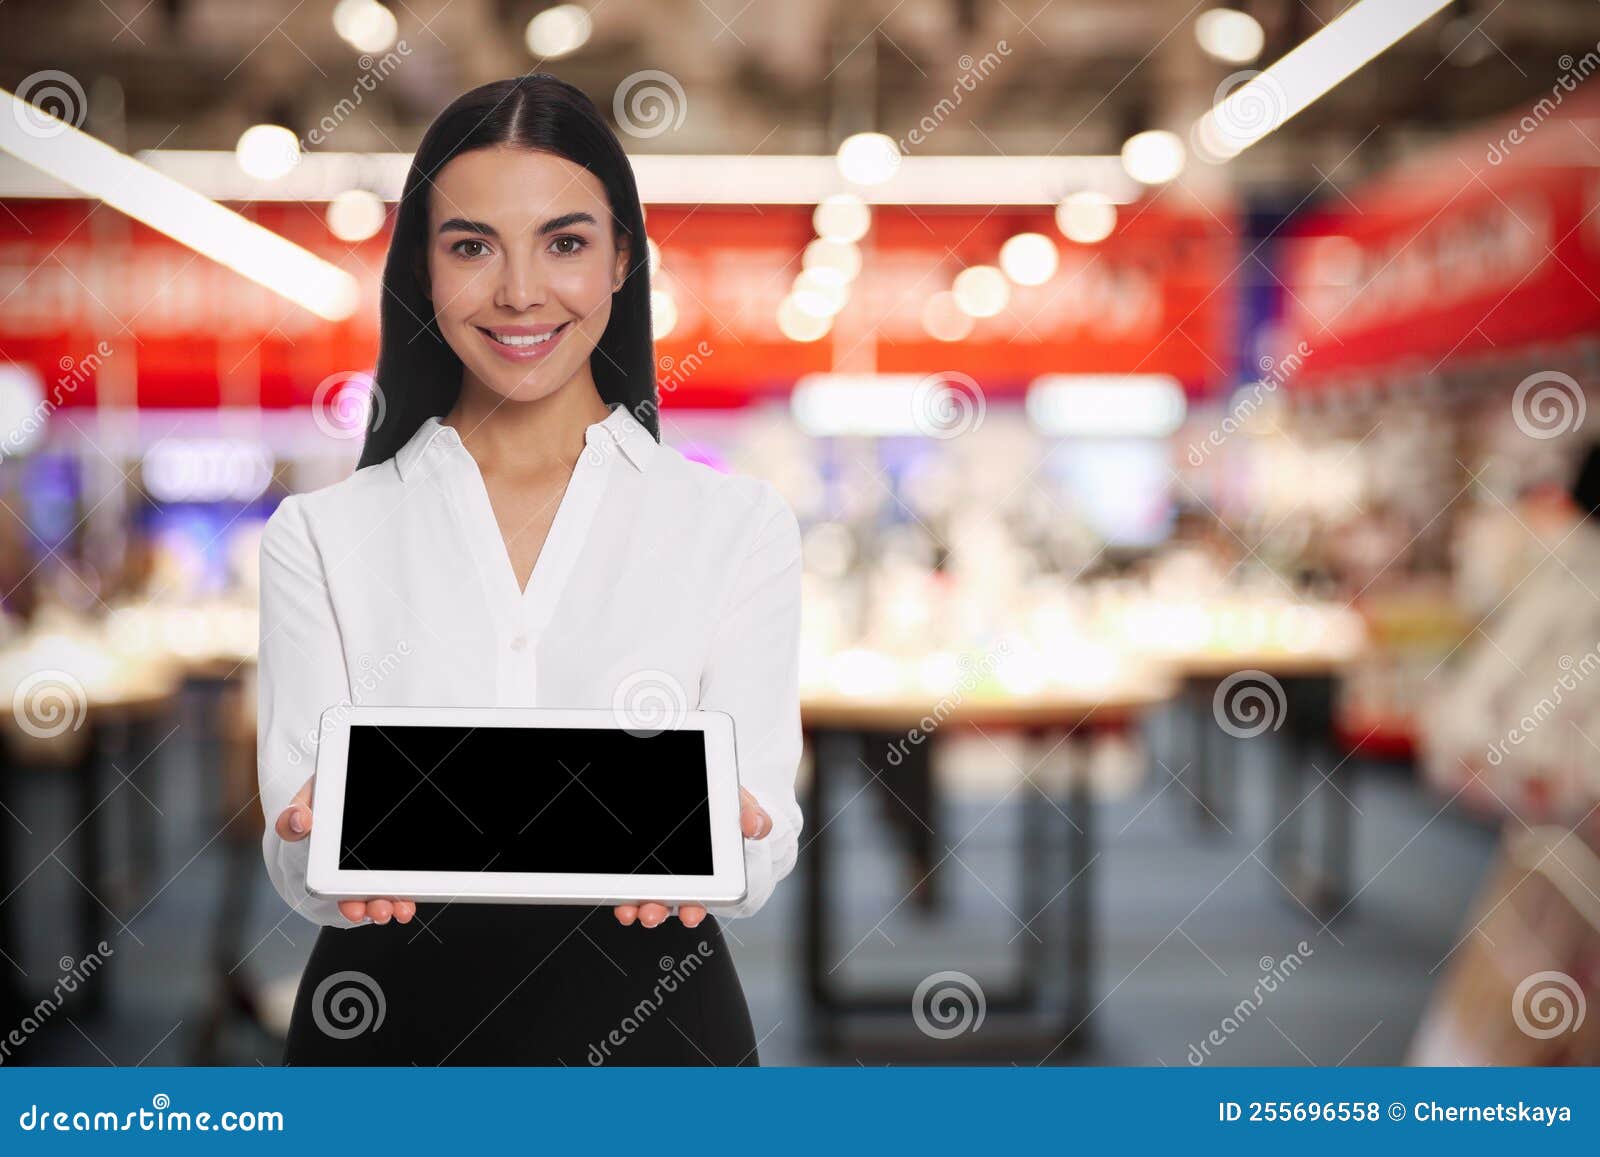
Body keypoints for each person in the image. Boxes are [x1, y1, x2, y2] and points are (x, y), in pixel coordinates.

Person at [256, 74, 803, 1065]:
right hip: (386, 1025)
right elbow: (300, 855)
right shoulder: (321, 534)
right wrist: (315, 840)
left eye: (565, 241)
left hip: (656, 1028)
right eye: (471, 245)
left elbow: (763, 830)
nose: (518, 290)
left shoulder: (734, 523)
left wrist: (733, 837)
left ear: (622, 259)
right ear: (422, 267)